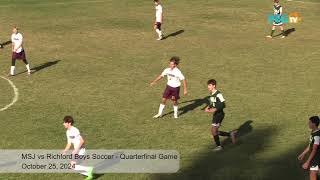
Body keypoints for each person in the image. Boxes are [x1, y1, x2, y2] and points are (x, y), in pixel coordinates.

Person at [205, 79, 236, 151]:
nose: (208, 87)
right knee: (214, 131)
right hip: (216, 114)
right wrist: (208, 107)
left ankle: (219, 146)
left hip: (219, 114)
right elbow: (212, 102)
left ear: (214, 86)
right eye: (208, 85)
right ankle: (230, 134)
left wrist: (214, 109)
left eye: (209, 85)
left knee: (213, 130)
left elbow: (223, 104)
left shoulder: (218, 94)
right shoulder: (212, 94)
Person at [62, 116, 94, 180]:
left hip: (80, 150)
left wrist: (76, 150)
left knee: (72, 166)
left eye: (65, 122)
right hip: (76, 151)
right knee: (73, 166)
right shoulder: (68, 132)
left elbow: (82, 141)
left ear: (69, 123)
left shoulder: (75, 130)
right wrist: (65, 151)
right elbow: (69, 143)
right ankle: (89, 174)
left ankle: (89, 170)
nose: (63, 124)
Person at [298, 116, 320, 180]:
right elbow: (310, 145)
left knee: (312, 174)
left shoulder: (317, 136)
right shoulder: (313, 132)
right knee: (314, 172)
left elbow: (314, 149)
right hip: (315, 159)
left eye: (310, 122)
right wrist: (303, 153)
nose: (308, 124)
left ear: (314, 124)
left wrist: (307, 162)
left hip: (316, 159)